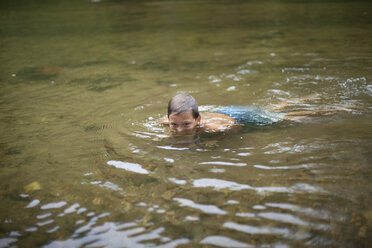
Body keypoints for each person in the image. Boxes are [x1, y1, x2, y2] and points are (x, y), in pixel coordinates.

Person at [160, 93, 350, 134]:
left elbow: (237, 126)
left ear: (198, 119)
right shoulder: (172, 121)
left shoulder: (212, 126)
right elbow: (166, 122)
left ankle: (333, 109)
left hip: (238, 117)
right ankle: (303, 97)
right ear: (169, 119)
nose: (179, 130)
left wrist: (216, 142)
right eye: (174, 124)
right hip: (224, 111)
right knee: (271, 109)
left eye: (186, 125)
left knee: (287, 119)